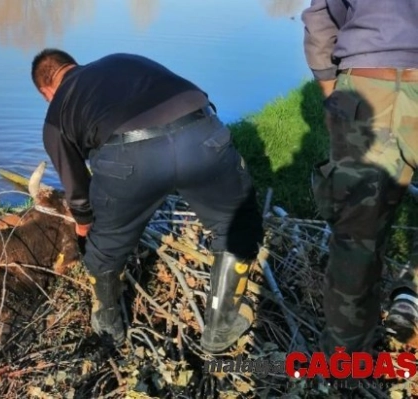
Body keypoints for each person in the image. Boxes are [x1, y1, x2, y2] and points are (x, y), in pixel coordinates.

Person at [29, 49, 265, 353]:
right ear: (72, 64)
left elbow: (78, 192)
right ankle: (221, 327)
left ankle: (109, 327)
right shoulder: (122, 60)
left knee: (105, 247)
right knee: (237, 222)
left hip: (131, 161)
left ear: (46, 91)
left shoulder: (56, 113)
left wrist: (87, 229)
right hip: (201, 134)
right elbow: (191, 89)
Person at [302, 0, 418, 355]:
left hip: (366, 85)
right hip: (372, 79)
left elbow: (323, 14)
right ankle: (410, 294)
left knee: (356, 237)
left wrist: (328, 84)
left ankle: (345, 361)